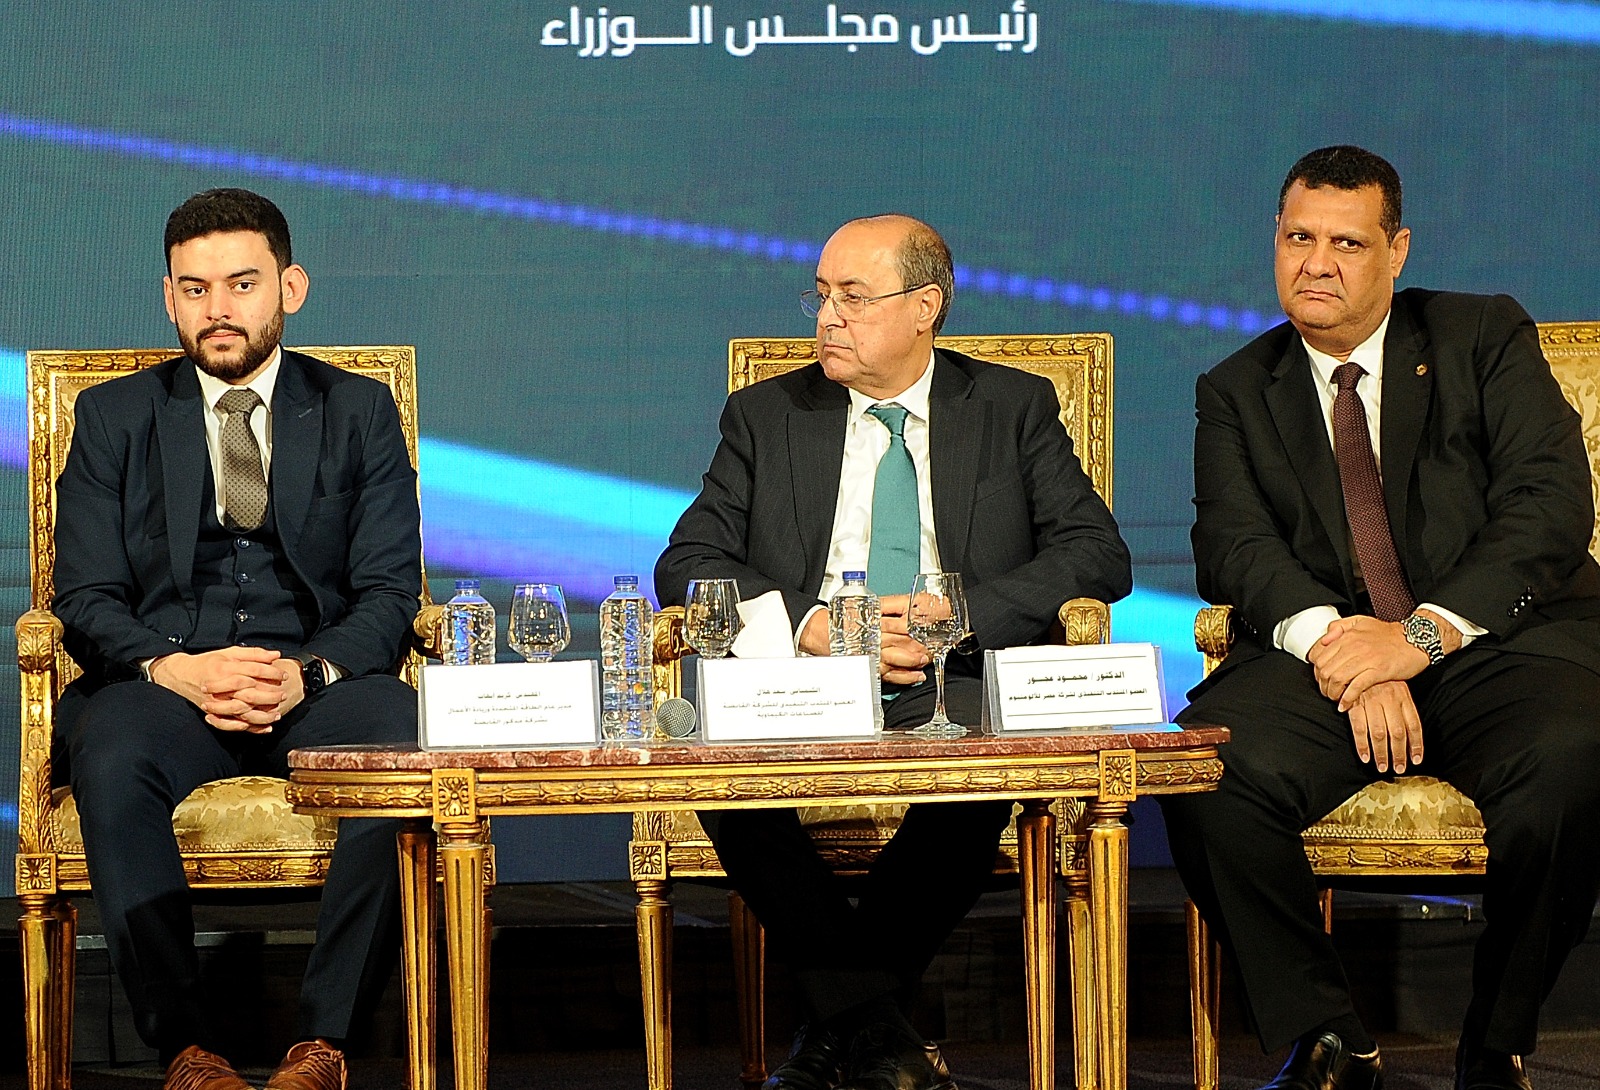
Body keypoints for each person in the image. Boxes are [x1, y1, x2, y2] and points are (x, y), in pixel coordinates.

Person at [656, 213, 1132, 1090]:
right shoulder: (768, 414)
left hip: (951, 675)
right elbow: (686, 563)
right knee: (721, 777)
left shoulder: (1010, 407)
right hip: (805, 682)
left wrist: (960, 615)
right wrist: (809, 624)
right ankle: (880, 1036)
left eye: (854, 297)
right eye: (820, 296)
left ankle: (831, 1035)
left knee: (978, 772)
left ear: (926, 308)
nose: (827, 318)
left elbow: (1097, 553)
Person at [1162, 145, 1600, 1090]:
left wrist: (1416, 639)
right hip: (1327, 655)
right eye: (1298, 238)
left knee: (1573, 760)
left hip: (1496, 643)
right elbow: (1233, 548)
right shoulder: (1235, 388)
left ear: (1397, 251)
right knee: (1205, 773)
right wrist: (1346, 652)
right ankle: (1327, 1038)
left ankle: (1496, 1042)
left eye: (1347, 243)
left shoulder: (1481, 335)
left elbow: (1550, 506)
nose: (1316, 263)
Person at [53, 188, 422, 1090]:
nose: (218, 309)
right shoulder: (113, 417)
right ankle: (186, 1049)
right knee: (110, 748)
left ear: (290, 288)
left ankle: (324, 1046)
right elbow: (86, 596)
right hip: (167, 686)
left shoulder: (357, 410)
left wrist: (310, 674)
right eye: (195, 289)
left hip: (316, 682)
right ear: (169, 299)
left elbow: (388, 592)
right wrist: (175, 669)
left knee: (404, 736)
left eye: (242, 284)